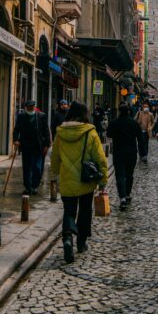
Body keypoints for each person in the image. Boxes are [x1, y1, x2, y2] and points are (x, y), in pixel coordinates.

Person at [50, 101, 108, 263]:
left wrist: (54, 173)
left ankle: (67, 239)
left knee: (68, 211)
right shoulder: (90, 132)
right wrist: (103, 179)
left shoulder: (60, 132)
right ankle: (81, 242)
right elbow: (100, 158)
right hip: (85, 181)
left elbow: (55, 157)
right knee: (84, 211)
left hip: (67, 179)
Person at [106, 104, 140, 210]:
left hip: (119, 152)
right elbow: (140, 137)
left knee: (120, 175)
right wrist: (143, 153)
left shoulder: (114, 123)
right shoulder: (134, 123)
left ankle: (122, 198)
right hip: (131, 153)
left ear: (119, 111)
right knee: (129, 175)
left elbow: (109, 134)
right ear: (129, 111)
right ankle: (128, 194)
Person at [13, 99, 50, 195]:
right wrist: (16, 140)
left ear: (34, 107)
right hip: (25, 145)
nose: (30, 108)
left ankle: (35, 185)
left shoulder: (41, 116)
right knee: (26, 167)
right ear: (26, 108)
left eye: (32, 107)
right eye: (29, 107)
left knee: (37, 167)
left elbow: (46, 131)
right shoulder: (21, 117)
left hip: (38, 145)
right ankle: (28, 187)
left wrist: (47, 144)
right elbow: (16, 130)